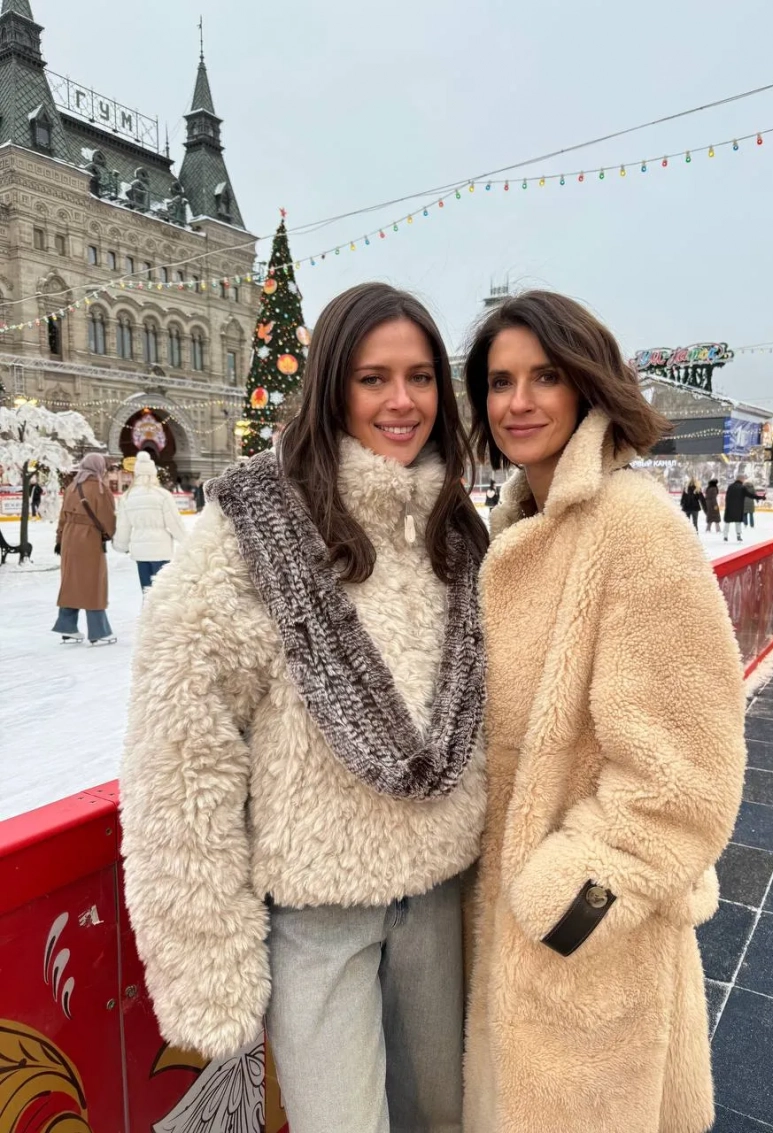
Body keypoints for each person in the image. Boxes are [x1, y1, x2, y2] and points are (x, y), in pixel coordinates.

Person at [120, 283, 488, 1133]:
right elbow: (182, 749)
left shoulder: (456, 529)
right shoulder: (257, 528)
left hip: (441, 895)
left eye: (420, 376)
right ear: (331, 386)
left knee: (445, 1119)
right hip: (321, 913)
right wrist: (205, 955)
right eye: (373, 378)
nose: (402, 401)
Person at [461, 291, 745, 1133]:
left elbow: (687, 777)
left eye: (545, 376)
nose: (518, 401)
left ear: (587, 384)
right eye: (500, 381)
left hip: (588, 944)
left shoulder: (634, 527)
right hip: (515, 938)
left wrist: (568, 901)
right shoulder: (520, 523)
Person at [52, 453, 117, 645]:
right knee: (93, 583)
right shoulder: (100, 489)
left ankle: (67, 626)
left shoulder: (72, 487)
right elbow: (108, 518)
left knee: (71, 581)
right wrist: (110, 535)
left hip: (69, 538)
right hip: (89, 539)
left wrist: (59, 539)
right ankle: (99, 631)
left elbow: (62, 517)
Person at [112, 450, 186, 593]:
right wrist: (187, 541)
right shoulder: (162, 495)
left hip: (141, 551)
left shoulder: (127, 497)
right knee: (163, 594)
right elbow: (174, 523)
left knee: (147, 593)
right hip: (162, 550)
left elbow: (123, 526)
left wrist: (120, 545)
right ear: (153, 473)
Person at [723, 474, 761, 542]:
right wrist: (760, 497)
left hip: (730, 507)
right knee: (738, 522)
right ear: (740, 479)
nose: (744, 480)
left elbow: (727, 497)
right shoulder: (742, 487)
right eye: (743, 479)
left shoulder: (730, 486)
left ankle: (725, 536)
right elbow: (750, 495)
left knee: (727, 522)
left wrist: (727, 505)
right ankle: (738, 535)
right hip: (738, 507)